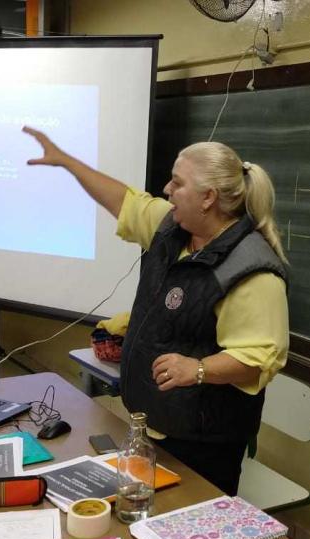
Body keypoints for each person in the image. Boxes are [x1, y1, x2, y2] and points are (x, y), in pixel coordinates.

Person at [22, 126, 289, 495]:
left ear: (208, 197)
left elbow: (258, 359)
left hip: (204, 444)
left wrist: (198, 369)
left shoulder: (252, 272)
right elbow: (125, 202)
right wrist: (67, 161)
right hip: (153, 427)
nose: (167, 189)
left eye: (177, 183)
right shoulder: (173, 228)